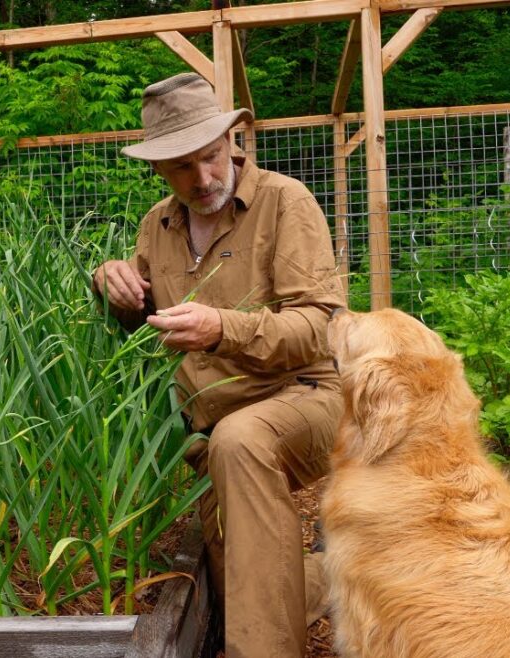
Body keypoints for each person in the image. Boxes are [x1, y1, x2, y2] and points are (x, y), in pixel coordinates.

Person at [91, 72, 346, 658]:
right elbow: (144, 321)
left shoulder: (286, 201)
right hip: (213, 426)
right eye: (181, 167)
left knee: (240, 442)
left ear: (233, 141)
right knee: (244, 590)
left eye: (209, 158)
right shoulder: (158, 223)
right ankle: (334, 580)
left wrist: (221, 327)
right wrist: (111, 286)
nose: (201, 179)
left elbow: (321, 329)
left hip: (305, 396)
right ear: (158, 168)